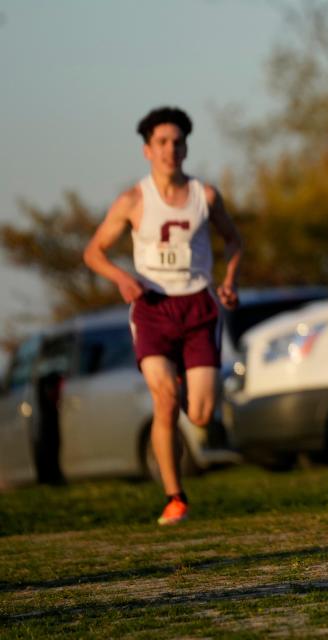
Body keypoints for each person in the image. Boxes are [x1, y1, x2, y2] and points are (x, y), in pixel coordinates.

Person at [84, 107, 243, 525]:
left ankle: (184, 384)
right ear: (147, 150)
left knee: (203, 414)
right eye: (162, 143)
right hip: (153, 307)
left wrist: (229, 280)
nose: (171, 149)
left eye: (178, 142)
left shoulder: (205, 197)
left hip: (198, 306)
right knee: (164, 400)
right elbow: (93, 252)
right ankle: (175, 497)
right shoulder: (132, 200)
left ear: (186, 147)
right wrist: (121, 277)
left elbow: (235, 241)